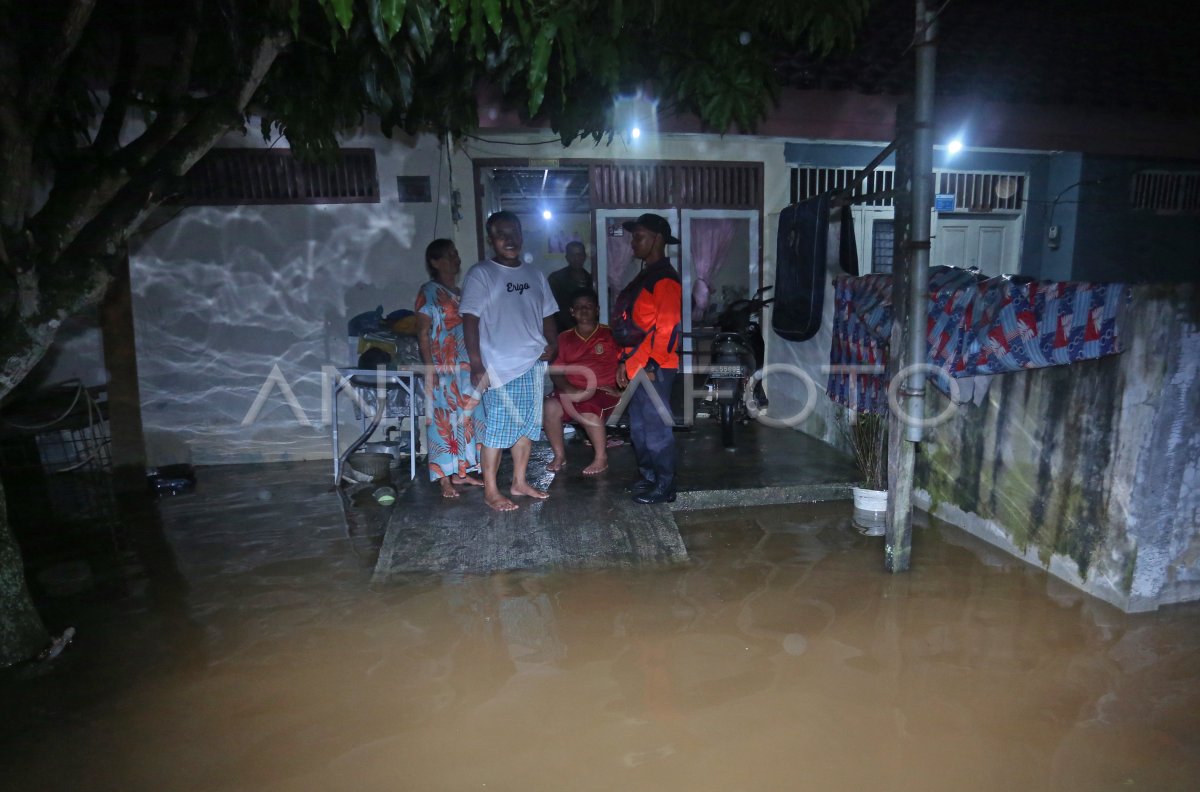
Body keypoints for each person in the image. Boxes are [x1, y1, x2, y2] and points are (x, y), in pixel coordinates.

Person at [461, 211, 560, 512]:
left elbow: (548, 316)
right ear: (491, 239)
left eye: (514, 232)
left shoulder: (535, 275)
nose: (509, 239)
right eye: (501, 234)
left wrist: (552, 344)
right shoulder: (482, 274)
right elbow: (470, 320)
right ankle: (491, 490)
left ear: (522, 235)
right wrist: (477, 364)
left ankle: (519, 481)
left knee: (528, 428)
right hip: (501, 367)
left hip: (533, 364)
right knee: (498, 430)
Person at [611, 213, 683, 504]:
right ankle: (649, 477)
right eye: (633, 237)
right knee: (639, 428)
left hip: (656, 367)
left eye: (639, 237)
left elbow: (667, 327)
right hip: (636, 363)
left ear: (657, 239)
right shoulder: (646, 275)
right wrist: (622, 362)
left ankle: (665, 486)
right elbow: (635, 327)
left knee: (655, 430)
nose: (633, 243)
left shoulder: (665, 279)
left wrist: (652, 366)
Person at [414, 239, 485, 498]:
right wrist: (429, 368)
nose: (456, 259)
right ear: (435, 261)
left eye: (456, 254)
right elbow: (423, 332)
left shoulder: (462, 290)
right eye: (449, 255)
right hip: (443, 365)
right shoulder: (429, 291)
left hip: (466, 365)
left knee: (468, 418)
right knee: (442, 420)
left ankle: (462, 473)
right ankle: (444, 479)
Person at [544, 288, 622, 476]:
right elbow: (555, 371)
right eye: (578, 307)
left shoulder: (611, 334)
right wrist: (570, 388)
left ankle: (600, 458)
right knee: (549, 406)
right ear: (571, 312)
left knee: (587, 405)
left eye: (588, 306)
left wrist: (623, 390)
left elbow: (629, 364)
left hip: (603, 391)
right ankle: (559, 455)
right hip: (572, 390)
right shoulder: (563, 338)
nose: (584, 310)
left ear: (597, 309)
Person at [547, 241, 594, 333]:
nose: (576, 258)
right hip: (562, 333)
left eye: (579, 254)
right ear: (567, 258)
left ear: (584, 256)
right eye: (572, 255)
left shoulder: (591, 280)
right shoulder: (556, 279)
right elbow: (551, 311)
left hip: (585, 333)